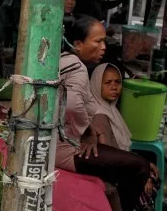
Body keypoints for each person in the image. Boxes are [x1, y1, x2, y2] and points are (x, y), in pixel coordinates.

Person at [58, 15, 150, 211]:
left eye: (104, 41)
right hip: (65, 150)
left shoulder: (66, 60)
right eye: (98, 41)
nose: (104, 47)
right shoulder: (77, 67)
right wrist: (88, 131)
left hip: (63, 144)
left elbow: (87, 102)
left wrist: (94, 127)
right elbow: (73, 106)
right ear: (78, 44)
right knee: (140, 167)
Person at [89, 63, 161, 210]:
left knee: (152, 171)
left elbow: (119, 150)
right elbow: (109, 160)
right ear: (96, 84)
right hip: (113, 180)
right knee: (150, 179)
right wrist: (140, 174)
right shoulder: (100, 116)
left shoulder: (111, 110)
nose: (114, 87)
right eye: (108, 83)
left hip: (121, 170)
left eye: (118, 82)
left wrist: (145, 164)